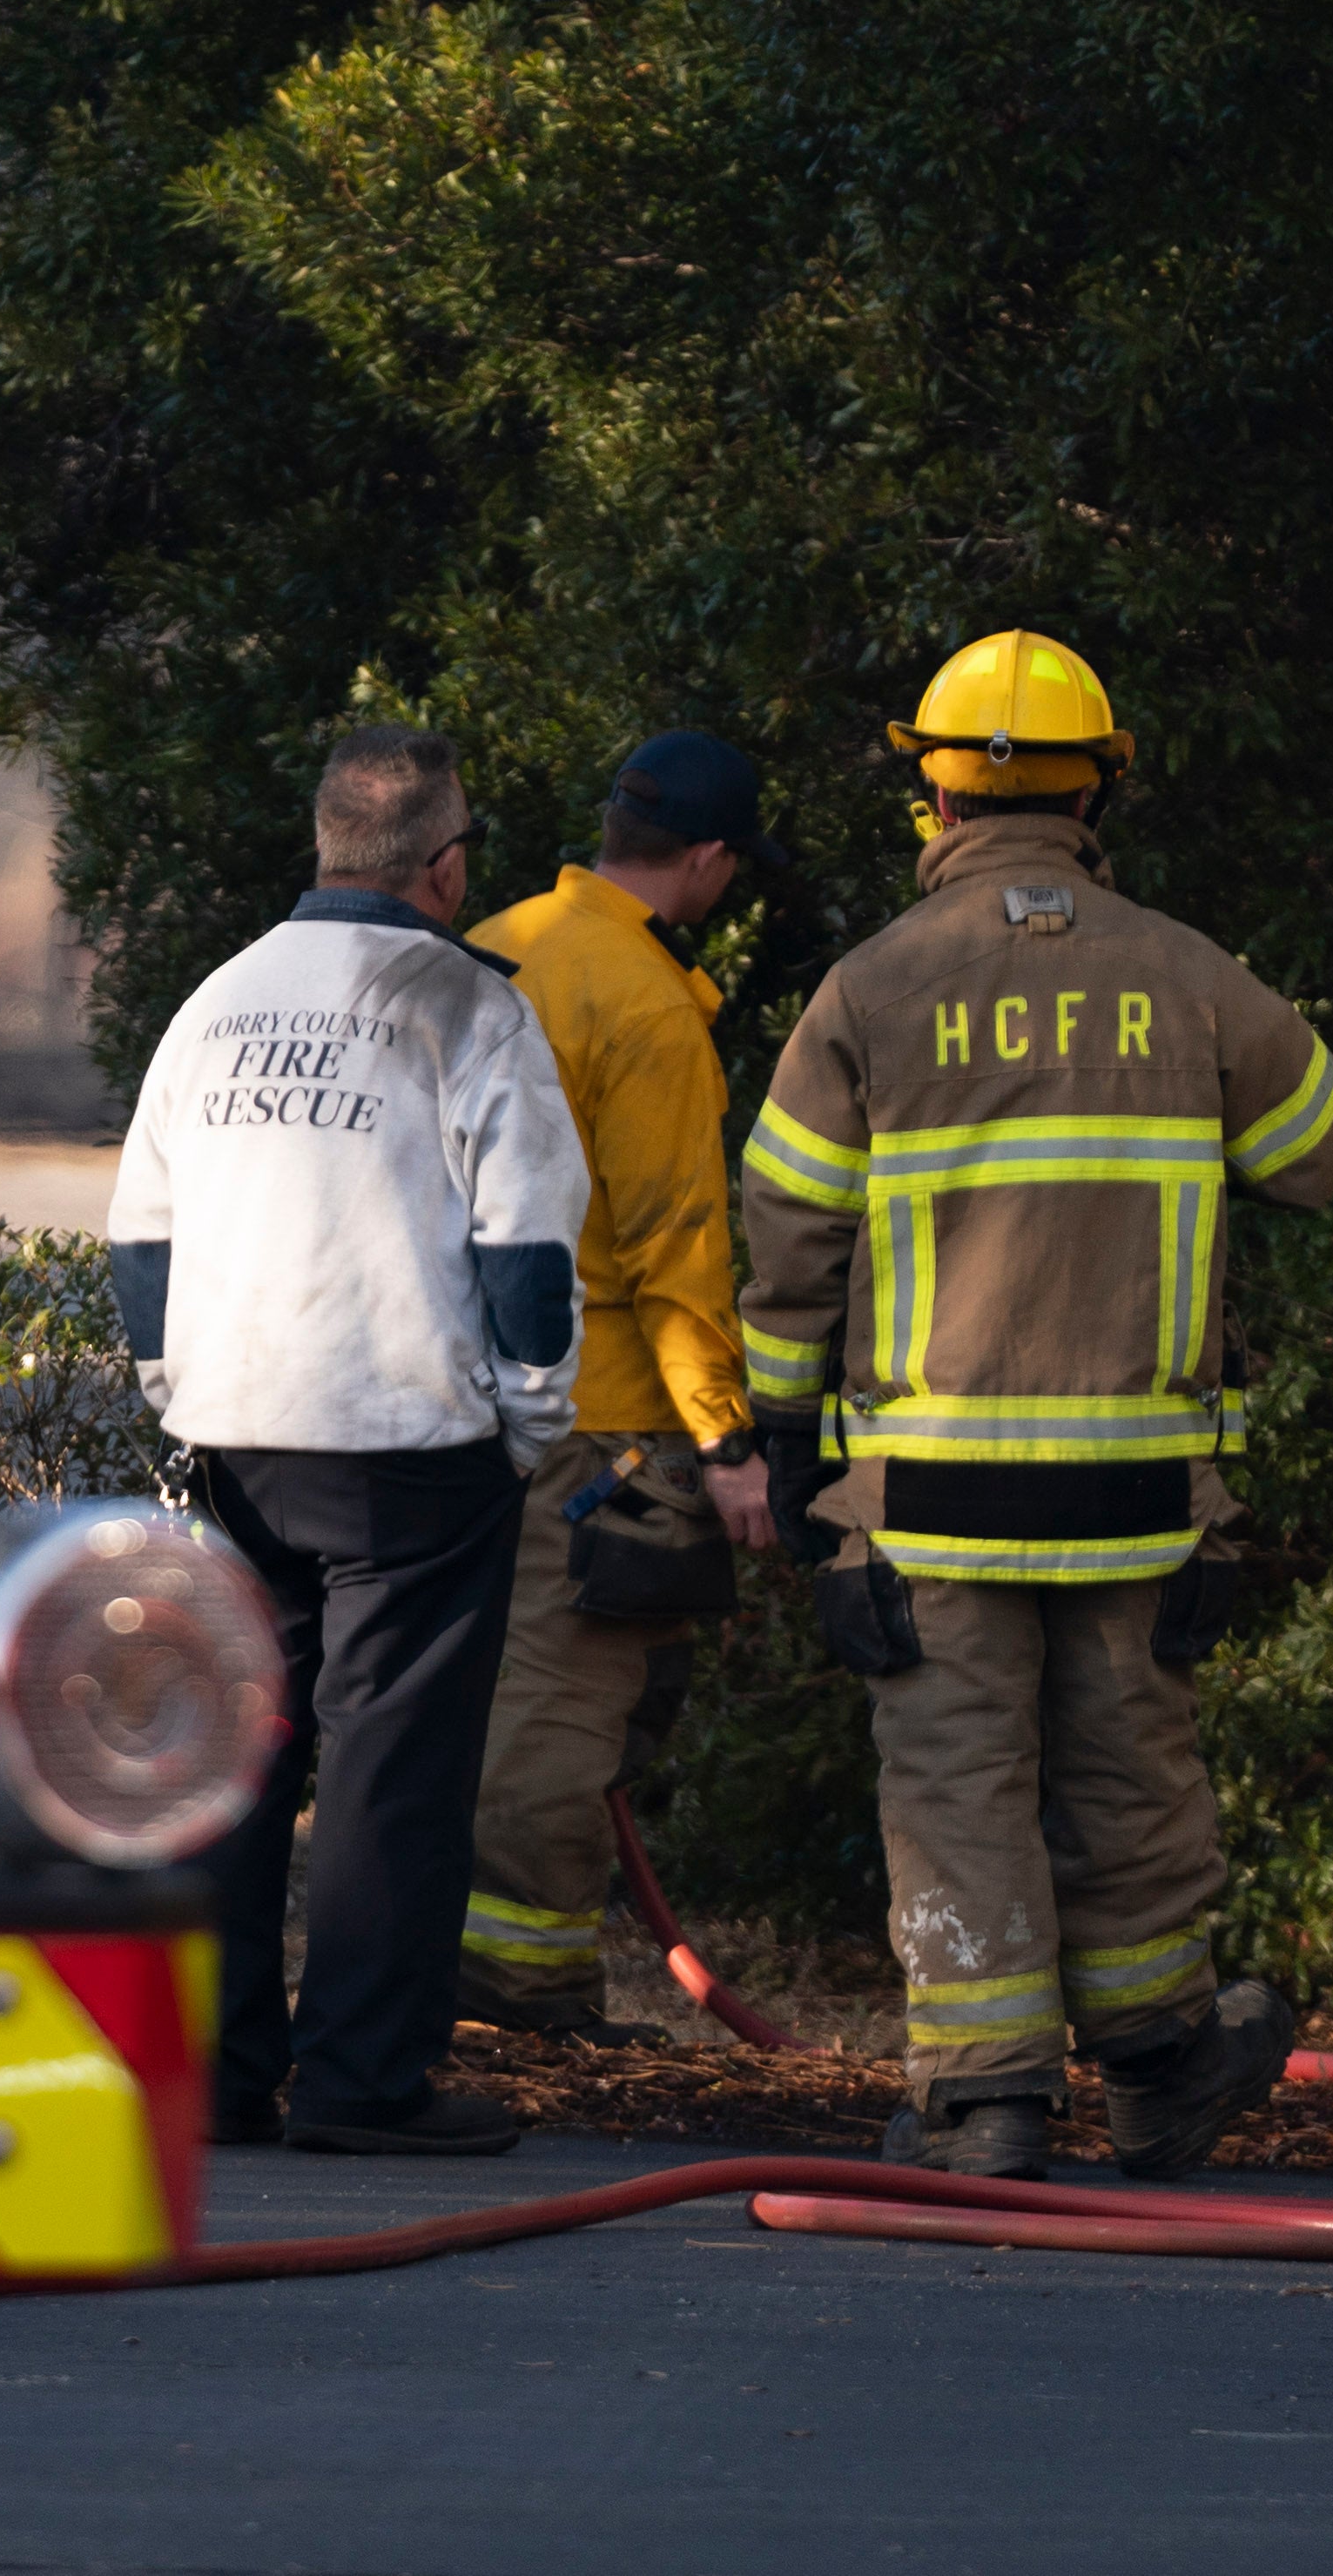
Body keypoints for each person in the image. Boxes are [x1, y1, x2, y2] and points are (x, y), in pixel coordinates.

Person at [736, 631, 1333, 2183]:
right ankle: (1157, 2073)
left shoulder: (868, 991)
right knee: (1128, 1775)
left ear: (930, 796)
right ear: (1100, 792)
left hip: (931, 1499)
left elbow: (783, 1237)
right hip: (1139, 1494)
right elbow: (1325, 1149)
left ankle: (987, 2104)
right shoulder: (1184, 972)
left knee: (956, 1785)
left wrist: (777, 1441)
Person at [110, 725, 585, 2156]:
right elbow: (523, 1254)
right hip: (408, 1446)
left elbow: (141, 1236)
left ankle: (213, 2069)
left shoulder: (216, 1002)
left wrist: (172, 1388)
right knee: (390, 1767)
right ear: (445, 868)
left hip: (233, 1441)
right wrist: (530, 1421)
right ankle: (365, 2081)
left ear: (324, 848)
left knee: (240, 1754)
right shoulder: (467, 1012)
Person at [453, 731, 791, 2041]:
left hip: (454, 1399)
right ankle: (519, 1990)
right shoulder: (644, 1007)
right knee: (562, 1705)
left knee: (477, 1691)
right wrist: (724, 1438)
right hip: (598, 1420)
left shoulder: (491, 942)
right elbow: (672, 1250)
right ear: (705, 860)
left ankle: (457, 1966)